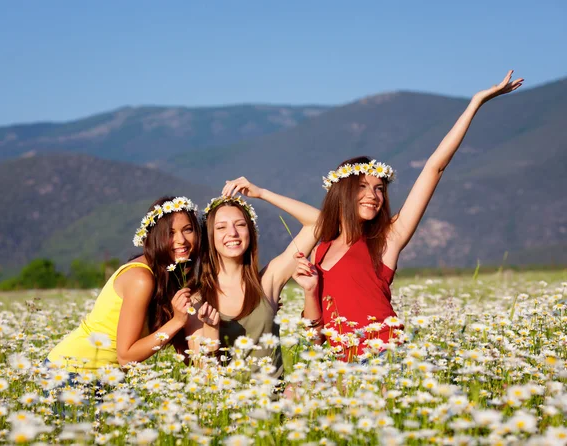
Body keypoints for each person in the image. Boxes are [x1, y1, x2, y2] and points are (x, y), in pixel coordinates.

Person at [293, 71, 524, 362]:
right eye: (363, 187)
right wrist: (310, 291)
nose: (373, 195)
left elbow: (434, 168)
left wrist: (475, 103)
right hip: (341, 369)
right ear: (343, 192)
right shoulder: (320, 251)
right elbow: (314, 338)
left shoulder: (388, 238)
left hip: (383, 359)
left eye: (379, 189)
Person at [46, 196, 219, 373]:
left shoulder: (172, 278)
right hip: (72, 371)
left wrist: (211, 330)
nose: (181, 240)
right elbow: (126, 357)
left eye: (188, 229)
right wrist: (177, 321)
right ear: (155, 237)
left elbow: (191, 359)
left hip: (106, 377)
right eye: (170, 233)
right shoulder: (141, 278)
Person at [190, 179, 320, 380]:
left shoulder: (268, 282)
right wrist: (211, 331)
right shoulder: (197, 300)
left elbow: (317, 222)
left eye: (240, 225)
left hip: (274, 406)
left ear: (250, 232)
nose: (232, 233)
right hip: (228, 407)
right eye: (221, 227)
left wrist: (262, 193)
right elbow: (204, 377)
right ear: (209, 237)